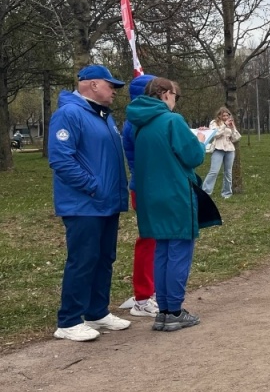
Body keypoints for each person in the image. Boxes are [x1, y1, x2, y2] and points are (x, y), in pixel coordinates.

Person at [49, 65, 132, 341]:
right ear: (93, 84)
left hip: (106, 202)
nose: (115, 91)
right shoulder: (69, 114)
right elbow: (61, 159)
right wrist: (92, 186)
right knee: (83, 260)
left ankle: (97, 312)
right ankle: (69, 320)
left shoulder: (103, 116)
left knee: (104, 258)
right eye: (111, 85)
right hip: (84, 204)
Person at [126, 77, 207, 332]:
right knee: (179, 251)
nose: (175, 100)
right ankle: (174, 310)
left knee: (161, 252)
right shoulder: (173, 121)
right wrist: (200, 141)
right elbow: (193, 156)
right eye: (175, 95)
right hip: (175, 193)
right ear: (164, 94)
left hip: (151, 195)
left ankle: (163, 311)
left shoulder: (139, 125)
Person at [119, 74, 159, 317]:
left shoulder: (140, 119)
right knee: (149, 239)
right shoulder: (138, 121)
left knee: (154, 239)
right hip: (146, 186)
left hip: (147, 185)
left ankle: (147, 291)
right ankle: (143, 297)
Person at [202, 107, 241, 199]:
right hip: (218, 148)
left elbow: (235, 138)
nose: (225, 117)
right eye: (223, 115)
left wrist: (232, 128)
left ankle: (227, 193)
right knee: (214, 171)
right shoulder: (214, 123)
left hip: (229, 149)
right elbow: (215, 134)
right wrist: (224, 125)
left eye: (227, 115)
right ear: (219, 115)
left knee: (228, 172)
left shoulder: (230, 123)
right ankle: (205, 192)